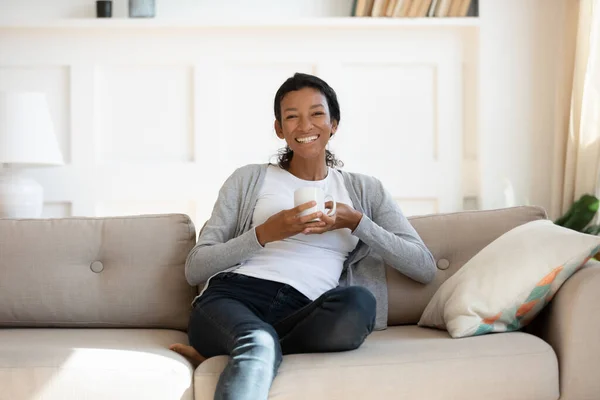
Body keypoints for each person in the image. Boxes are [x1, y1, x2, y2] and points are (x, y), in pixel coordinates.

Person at [169, 72, 436, 400]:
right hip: (233, 299)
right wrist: (265, 233)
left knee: (358, 304)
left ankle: (245, 352)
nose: (305, 125)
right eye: (291, 117)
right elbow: (195, 268)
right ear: (280, 129)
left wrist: (356, 222)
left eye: (317, 114)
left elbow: (423, 267)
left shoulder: (365, 190)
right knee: (257, 340)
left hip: (305, 310)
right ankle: (251, 348)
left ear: (334, 123)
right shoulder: (249, 179)